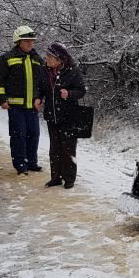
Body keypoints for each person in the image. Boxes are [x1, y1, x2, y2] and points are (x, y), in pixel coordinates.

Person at [0, 26, 47, 176]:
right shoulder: (7, 58)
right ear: (18, 42)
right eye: (27, 41)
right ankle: (21, 165)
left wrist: (39, 98)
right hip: (15, 106)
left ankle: (32, 163)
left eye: (32, 41)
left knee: (34, 134)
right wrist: (1, 99)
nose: (31, 44)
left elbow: (42, 82)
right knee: (19, 135)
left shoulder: (37, 59)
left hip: (32, 106)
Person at [41, 42, 87, 189]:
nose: (46, 58)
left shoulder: (73, 71)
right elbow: (40, 87)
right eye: (47, 55)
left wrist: (69, 94)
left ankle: (69, 178)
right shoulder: (45, 70)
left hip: (69, 115)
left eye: (50, 56)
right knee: (54, 148)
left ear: (59, 59)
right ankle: (55, 177)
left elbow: (81, 91)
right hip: (52, 115)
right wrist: (37, 98)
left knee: (68, 149)